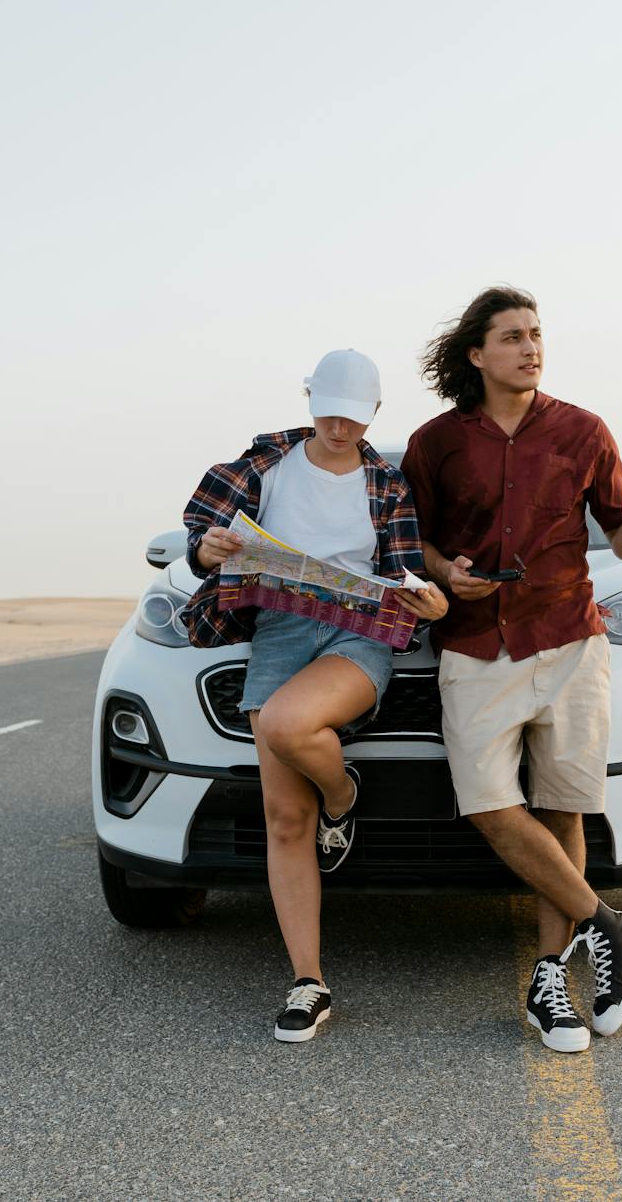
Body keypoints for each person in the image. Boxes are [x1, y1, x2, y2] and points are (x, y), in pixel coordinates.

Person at [401, 287, 622, 1054]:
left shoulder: (585, 430)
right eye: (512, 336)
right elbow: (410, 542)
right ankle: (608, 923)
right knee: (487, 804)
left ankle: (551, 978)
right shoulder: (434, 442)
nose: (530, 346)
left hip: (569, 637)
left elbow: (621, 544)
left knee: (562, 807)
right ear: (476, 353)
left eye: (536, 334)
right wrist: (449, 569)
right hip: (477, 643)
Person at [181, 349, 448, 1043]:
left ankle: (343, 797)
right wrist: (207, 552)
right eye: (328, 410)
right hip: (278, 629)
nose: (339, 426)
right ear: (308, 399)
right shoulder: (264, 463)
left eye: (354, 417)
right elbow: (200, 538)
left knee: (286, 722)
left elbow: (405, 573)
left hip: (357, 633)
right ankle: (308, 980)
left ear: (374, 414)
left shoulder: (385, 484)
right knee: (284, 820)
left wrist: (427, 599)